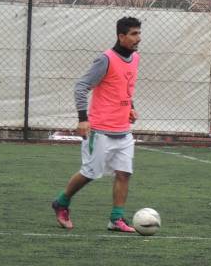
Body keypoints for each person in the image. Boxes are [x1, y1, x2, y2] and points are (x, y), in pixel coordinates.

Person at [51, 16, 142, 233]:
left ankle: (116, 219)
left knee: (124, 173)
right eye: (134, 34)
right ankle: (61, 202)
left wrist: (130, 107)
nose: (138, 38)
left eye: (139, 33)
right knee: (90, 173)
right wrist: (83, 119)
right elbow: (81, 87)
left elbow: (125, 87)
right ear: (121, 36)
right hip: (100, 131)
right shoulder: (105, 60)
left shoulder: (135, 58)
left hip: (123, 131)